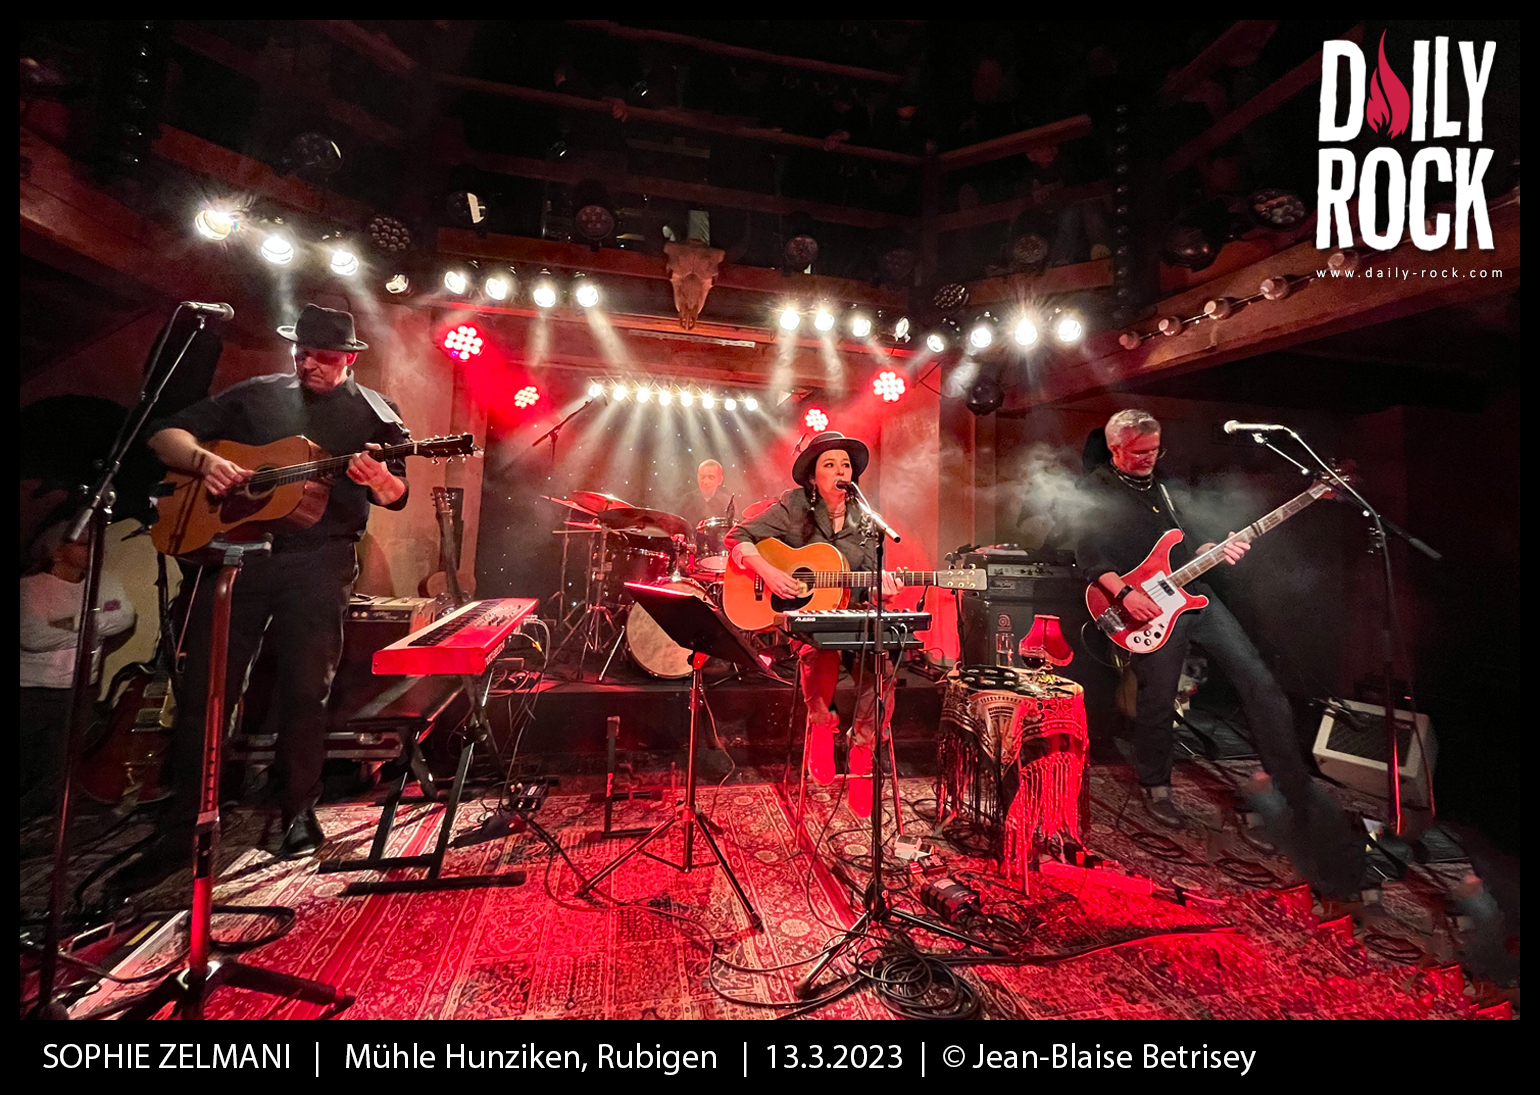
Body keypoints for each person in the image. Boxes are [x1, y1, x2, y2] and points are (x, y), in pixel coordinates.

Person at [112, 304, 410, 894]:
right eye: (302, 352)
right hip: (231, 556)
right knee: (207, 689)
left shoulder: (376, 413)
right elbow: (163, 434)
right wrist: (206, 462)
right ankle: (186, 819)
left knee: (307, 690)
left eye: (323, 356)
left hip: (318, 563)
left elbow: (397, 493)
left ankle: (297, 809)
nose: (309, 364)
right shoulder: (255, 394)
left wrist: (378, 479)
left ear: (348, 359)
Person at [1072, 409, 1362, 896]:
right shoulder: (1096, 489)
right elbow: (1088, 552)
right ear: (1115, 448)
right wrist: (1124, 593)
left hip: (1194, 594)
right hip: (1141, 604)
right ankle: (1155, 785)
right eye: (1139, 452)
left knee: (1259, 680)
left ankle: (1290, 788)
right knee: (1158, 697)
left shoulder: (1164, 484)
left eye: (1155, 450)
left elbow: (1187, 540)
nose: (1149, 458)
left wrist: (1218, 548)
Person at [726, 432, 901, 818]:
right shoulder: (793, 505)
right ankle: (822, 726)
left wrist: (883, 592)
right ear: (813, 476)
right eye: (830, 464)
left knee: (882, 667)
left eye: (845, 465)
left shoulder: (866, 520)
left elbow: (869, 584)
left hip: (852, 611)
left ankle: (863, 750)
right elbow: (739, 537)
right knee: (820, 653)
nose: (840, 471)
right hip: (806, 616)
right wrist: (769, 573)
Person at [20, 521, 136, 820]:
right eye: (83, 544)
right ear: (56, 551)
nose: (93, 549)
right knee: (33, 767)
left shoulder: (104, 582)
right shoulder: (29, 587)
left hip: (83, 687)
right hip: (35, 691)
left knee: (71, 762)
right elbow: (32, 636)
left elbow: (124, 617)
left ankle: (58, 820)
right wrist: (93, 627)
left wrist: (68, 624)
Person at [677, 458, 732, 531]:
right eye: (702, 477)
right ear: (698, 477)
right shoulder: (686, 501)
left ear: (720, 480)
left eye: (711, 477)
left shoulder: (728, 503)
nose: (705, 481)